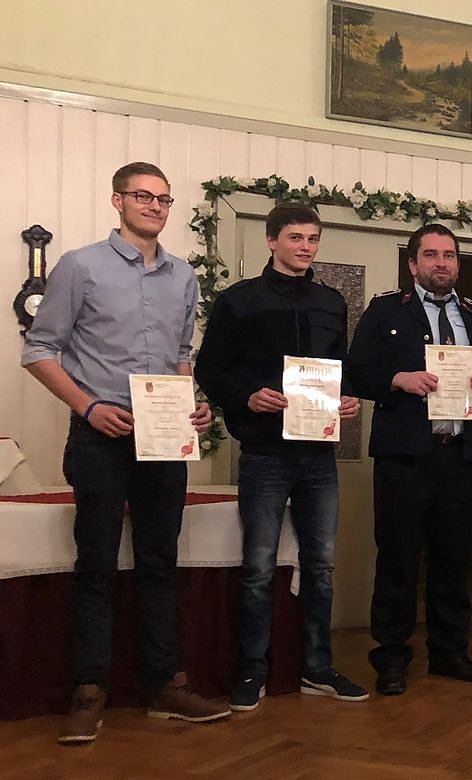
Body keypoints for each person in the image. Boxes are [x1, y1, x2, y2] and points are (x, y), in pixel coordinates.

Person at [21, 162, 230, 744]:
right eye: (143, 196)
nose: (155, 206)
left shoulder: (183, 275)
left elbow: (181, 354)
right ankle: (89, 692)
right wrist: (87, 407)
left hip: (164, 437)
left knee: (160, 564)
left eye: (163, 199)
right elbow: (38, 350)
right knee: (96, 564)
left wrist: (192, 403)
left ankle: (166, 685)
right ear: (118, 201)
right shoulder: (80, 265)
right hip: (101, 435)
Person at [195, 204, 368, 710]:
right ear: (272, 241)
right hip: (265, 453)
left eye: (312, 239)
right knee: (258, 567)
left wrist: (348, 397)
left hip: (319, 456)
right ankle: (253, 670)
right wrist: (247, 396)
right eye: (295, 238)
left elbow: (340, 367)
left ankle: (317, 667)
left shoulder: (331, 301)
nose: (305, 247)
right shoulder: (239, 300)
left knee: (321, 566)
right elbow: (211, 370)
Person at [346, 223, 472, 694]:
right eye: (431, 254)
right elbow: (356, 373)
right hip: (406, 457)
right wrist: (398, 379)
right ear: (413, 264)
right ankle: (391, 658)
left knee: (453, 560)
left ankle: (450, 652)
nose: (441, 263)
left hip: (462, 456)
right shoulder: (386, 310)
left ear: (457, 264)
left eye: (449, 255)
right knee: (399, 560)